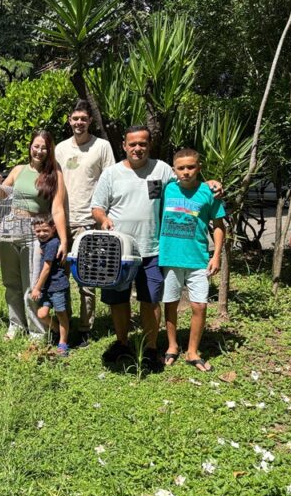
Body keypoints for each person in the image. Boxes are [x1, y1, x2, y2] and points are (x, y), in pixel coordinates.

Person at [91, 126, 222, 371]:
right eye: (132, 144)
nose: (137, 148)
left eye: (142, 144)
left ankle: (151, 347)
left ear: (149, 145)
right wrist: (103, 219)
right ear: (124, 146)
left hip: (152, 249)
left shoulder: (162, 169)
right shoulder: (111, 174)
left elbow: (188, 181)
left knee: (150, 300)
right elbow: (97, 206)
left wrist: (210, 183)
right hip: (118, 251)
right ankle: (122, 343)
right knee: (118, 300)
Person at [0, 130, 68, 341]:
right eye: (36, 146)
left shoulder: (55, 174)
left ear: (49, 150)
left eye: (44, 147)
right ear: (30, 147)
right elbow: (0, 194)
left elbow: (58, 209)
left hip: (35, 231)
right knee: (11, 282)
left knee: (32, 283)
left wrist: (63, 240)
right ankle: (16, 325)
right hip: (9, 227)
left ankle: (37, 332)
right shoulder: (18, 170)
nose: (39, 151)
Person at [55, 99, 115, 347]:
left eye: (83, 119)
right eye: (75, 118)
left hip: (88, 222)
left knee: (86, 279)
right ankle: (63, 325)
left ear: (90, 121)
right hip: (61, 222)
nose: (79, 122)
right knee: (60, 277)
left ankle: (86, 328)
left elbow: (110, 180)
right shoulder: (59, 148)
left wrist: (105, 218)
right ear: (69, 120)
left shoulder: (102, 147)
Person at [160, 149, 226, 372]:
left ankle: (192, 351)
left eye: (191, 167)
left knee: (199, 305)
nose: (186, 172)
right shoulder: (167, 189)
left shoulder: (208, 193)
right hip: (170, 257)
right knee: (170, 302)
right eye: (181, 168)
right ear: (174, 170)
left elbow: (218, 227)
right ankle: (172, 346)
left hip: (198, 259)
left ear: (199, 167)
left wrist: (216, 255)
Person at [30, 217, 70, 356]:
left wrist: (36, 288)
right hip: (47, 287)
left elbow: (47, 269)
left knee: (61, 314)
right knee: (42, 314)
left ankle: (63, 343)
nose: (41, 234)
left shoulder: (53, 244)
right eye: (38, 231)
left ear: (54, 228)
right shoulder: (44, 243)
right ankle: (57, 330)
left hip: (57, 285)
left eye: (45, 230)